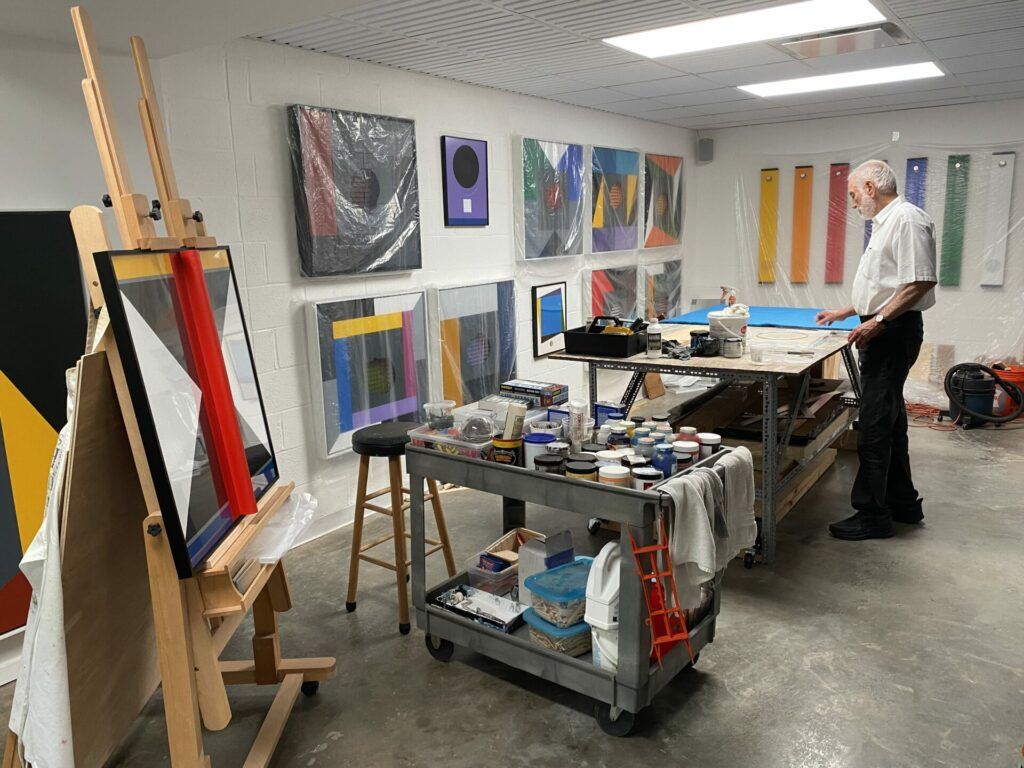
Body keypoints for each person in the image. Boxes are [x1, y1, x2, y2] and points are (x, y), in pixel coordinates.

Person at [816, 159, 937, 541]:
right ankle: (903, 503)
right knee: (890, 420)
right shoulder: (886, 222)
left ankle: (872, 515)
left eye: (854, 194)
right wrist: (846, 311)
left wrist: (878, 321)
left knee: (873, 425)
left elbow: (919, 282)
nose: (853, 203)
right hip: (884, 328)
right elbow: (883, 285)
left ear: (871, 187)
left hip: (892, 334)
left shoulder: (907, 220)